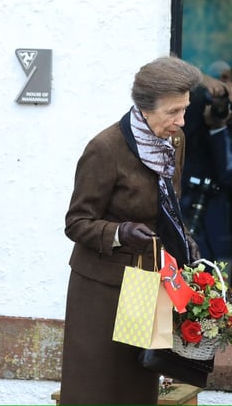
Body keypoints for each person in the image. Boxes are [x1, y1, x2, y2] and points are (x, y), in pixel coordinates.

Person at [60, 55, 202, 405]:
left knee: (136, 389)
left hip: (145, 283)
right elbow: (76, 222)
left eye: (184, 110)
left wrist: (184, 239)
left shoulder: (176, 141)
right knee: (97, 391)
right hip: (101, 290)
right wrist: (122, 232)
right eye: (173, 112)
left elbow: (169, 206)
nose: (181, 121)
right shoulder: (105, 148)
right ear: (144, 107)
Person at [181, 68, 232, 287]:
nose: (227, 110)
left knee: (210, 278)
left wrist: (218, 129)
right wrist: (202, 84)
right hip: (183, 203)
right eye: (225, 102)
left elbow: (229, 173)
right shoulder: (193, 117)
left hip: (216, 218)